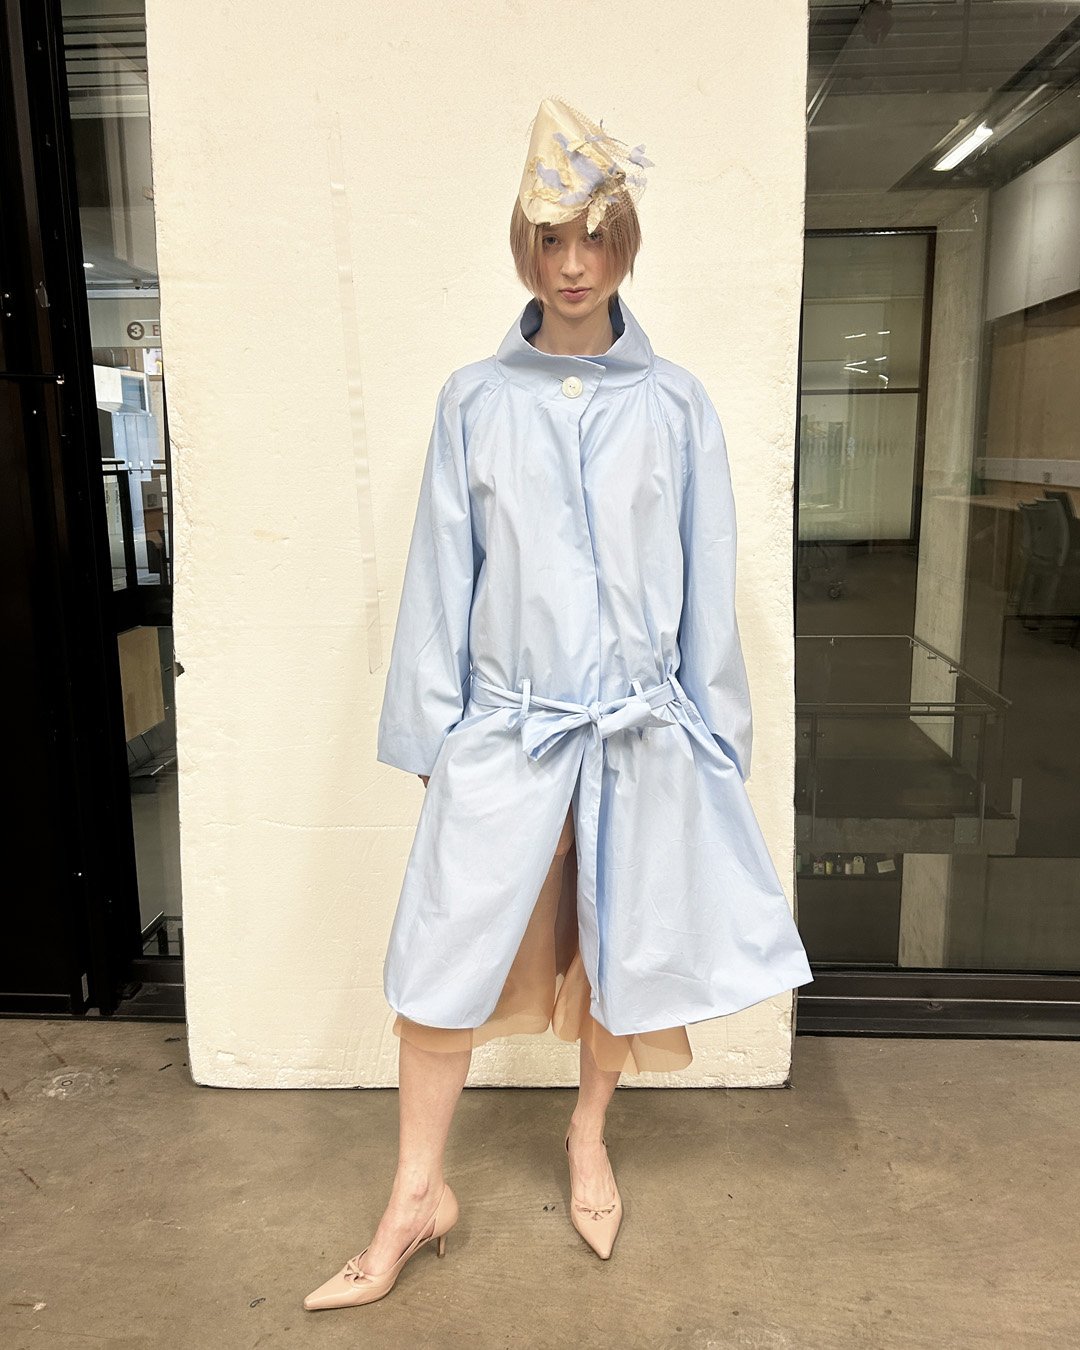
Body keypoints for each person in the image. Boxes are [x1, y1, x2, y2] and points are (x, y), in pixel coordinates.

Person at [303, 97, 813, 1312]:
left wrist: (715, 734)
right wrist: (435, 736)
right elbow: (442, 572)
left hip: (640, 729)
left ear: (623, 240)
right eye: (549, 240)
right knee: (441, 960)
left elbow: (704, 579)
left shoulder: (676, 406)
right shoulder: (475, 401)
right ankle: (415, 1195)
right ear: (524, 248)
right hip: (511, 727)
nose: (573, 265)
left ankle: (588, 1135)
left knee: (616, 944)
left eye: (592, 237)